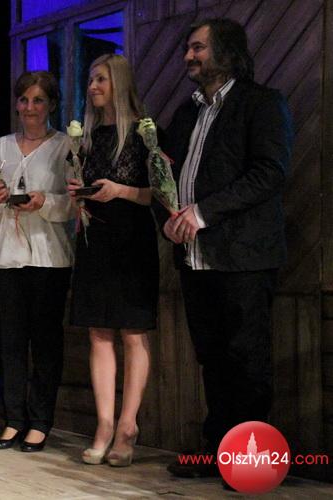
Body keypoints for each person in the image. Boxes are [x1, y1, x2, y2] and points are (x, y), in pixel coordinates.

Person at [154, 19, 293, 478]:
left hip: (244, 256)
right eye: (188, 48)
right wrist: (168, 218)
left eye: (198, 47)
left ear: (227, 51)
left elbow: (270, 172)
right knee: (211, 359)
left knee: (247, 361)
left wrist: (203, 213)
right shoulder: (186, 112)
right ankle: (217, 453)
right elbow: (164, 175)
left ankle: (250, 465)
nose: (189, 56)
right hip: (194, 259)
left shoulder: (262, 103)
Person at [66, 54, 158, 467]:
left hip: (132, 240)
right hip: (95, 240)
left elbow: (160, 194)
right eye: (90, 79)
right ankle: (103, 424)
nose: (92, 87)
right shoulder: (85, 138)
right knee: (98, 333)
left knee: (133, 333)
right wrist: (77, 193)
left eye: (100, 79)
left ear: (119, 82)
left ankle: (127, 425)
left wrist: (119, 190)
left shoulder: (145, 132)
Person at [0, 71, 74, 452]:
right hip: (6, 257)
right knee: (11, 343)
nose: (30, 107)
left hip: (48, 258)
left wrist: (44, 201)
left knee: (46, 344)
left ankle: (41, 421)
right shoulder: (1, 146)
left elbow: (72, 204)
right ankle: (13, 419)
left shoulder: (64, 146)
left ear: (51, 105)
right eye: (24, 100)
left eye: (38, 100)